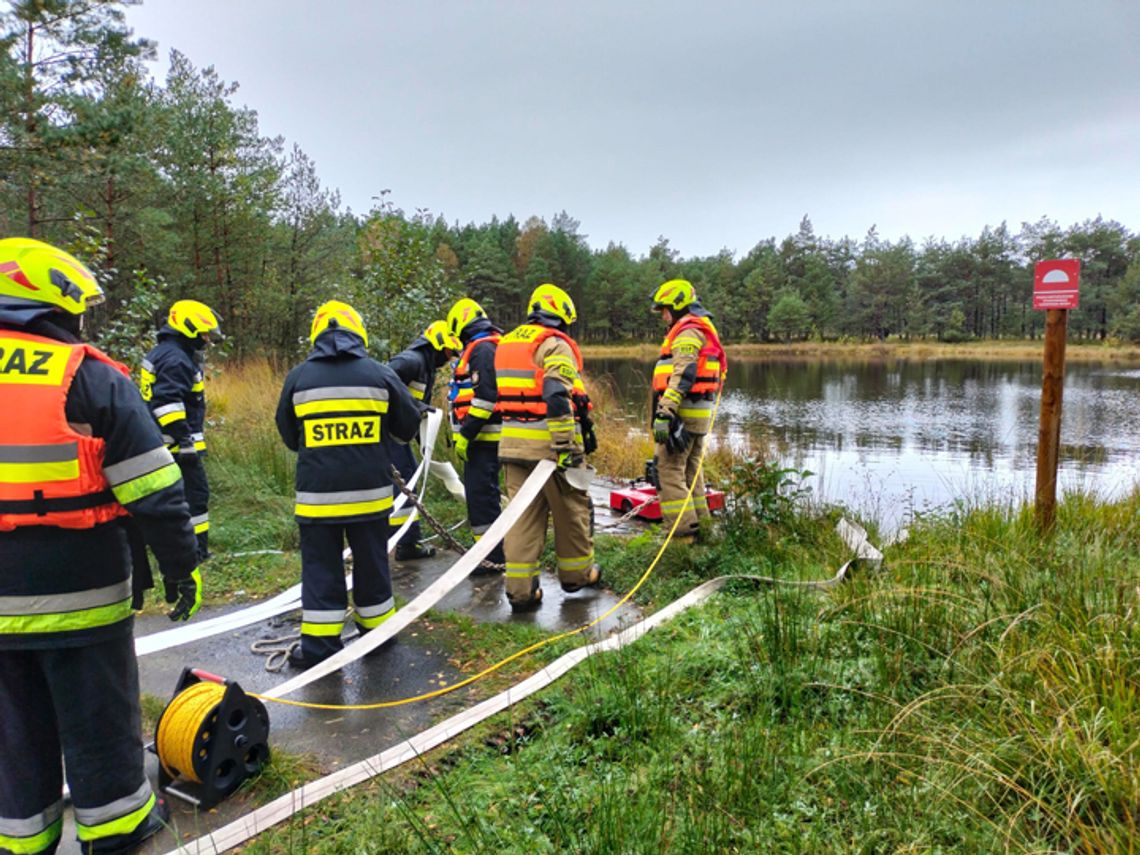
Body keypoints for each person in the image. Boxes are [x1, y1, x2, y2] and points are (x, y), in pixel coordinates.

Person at [0, 238, 202, 855]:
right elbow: (158, 494)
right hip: (83, 595)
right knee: (99, 723)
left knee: (12, 734)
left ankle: (21, 839)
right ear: (54, 303)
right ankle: (115, 831)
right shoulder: (89, 377)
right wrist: (180, 569)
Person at [275, 300, 422, 668]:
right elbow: (407, 428)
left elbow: (290, 436)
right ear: (359, 333)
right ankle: (378, 638)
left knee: (321, 571)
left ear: (316, 336)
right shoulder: (380, 374)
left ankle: (321, 650)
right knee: (372, 567)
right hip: (370, 499)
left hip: (316, 501)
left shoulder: (298, 378)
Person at [495, 283, 601, 610]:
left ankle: (521, 593)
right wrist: (566, 445)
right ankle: (577, 576)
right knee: (572, 510)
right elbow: (555, 394)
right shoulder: (555, 345)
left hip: (513, 448)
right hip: (549, 451)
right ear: (561, 318)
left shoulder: (506, 344)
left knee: (521, 519)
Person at [140, 299, 220, 561]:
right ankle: (195, 552)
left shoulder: (165, 353)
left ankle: (183, 550)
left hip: (160, 443)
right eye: (204, 334)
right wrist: (185, 442)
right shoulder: (176, 359)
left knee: (170, 500)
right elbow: (167, 403)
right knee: (195, 497)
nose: (207, 340)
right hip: (175, 445)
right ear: (189, 329)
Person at [649, 279, 727, 543]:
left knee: (667, 471)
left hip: (683, 414)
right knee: (692, 473)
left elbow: (684, 372)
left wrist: (666, 412)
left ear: (678, 307)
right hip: (698, 414)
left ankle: (682, 535)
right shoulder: (699, 328)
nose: (663, 317)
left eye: (665, 310)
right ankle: (702, 529)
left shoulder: (687, 332)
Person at [386, 319, 459, 560]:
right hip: (387, 435)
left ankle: (402, 541)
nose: (449, 358)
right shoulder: (410, 361)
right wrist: (419, 407)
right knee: (405, 481)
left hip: (397, 436)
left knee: (404, 482)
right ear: (436, 345)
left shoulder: (425, 367)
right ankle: (406, 544)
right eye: (448, 351)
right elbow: (383, 386)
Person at [446, 297, 505, 573]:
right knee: (483, 497)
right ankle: (489, 553)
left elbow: (485, 398)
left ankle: (490, 558)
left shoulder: (482, 350)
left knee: (482, 499)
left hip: (485, 439)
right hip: (483, 438)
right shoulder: (485, 346)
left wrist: (466, 434)